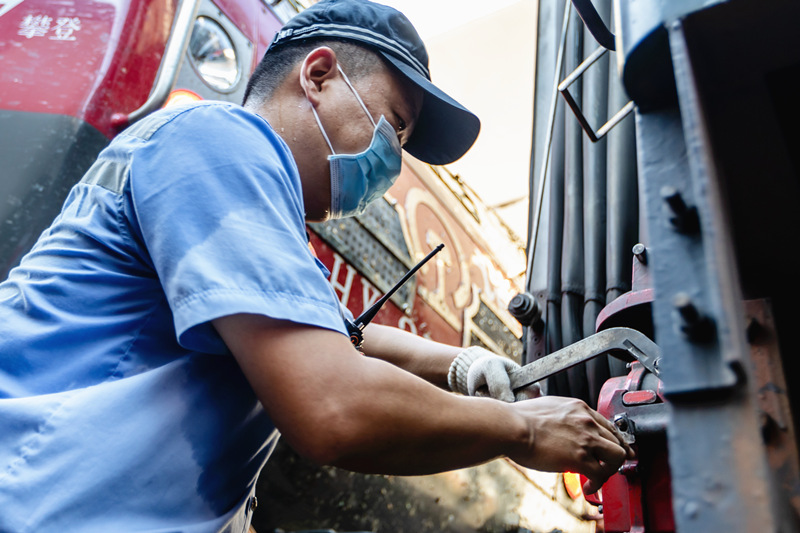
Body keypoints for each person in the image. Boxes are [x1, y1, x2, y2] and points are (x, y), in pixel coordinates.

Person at [0, 0, 632, 531]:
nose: (391, 166)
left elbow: (342, 334)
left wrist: (466, 363)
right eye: (395, 128)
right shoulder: (222, 143)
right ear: (320, 75)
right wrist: (519, 428)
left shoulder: (243, 206)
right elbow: (333, 404)